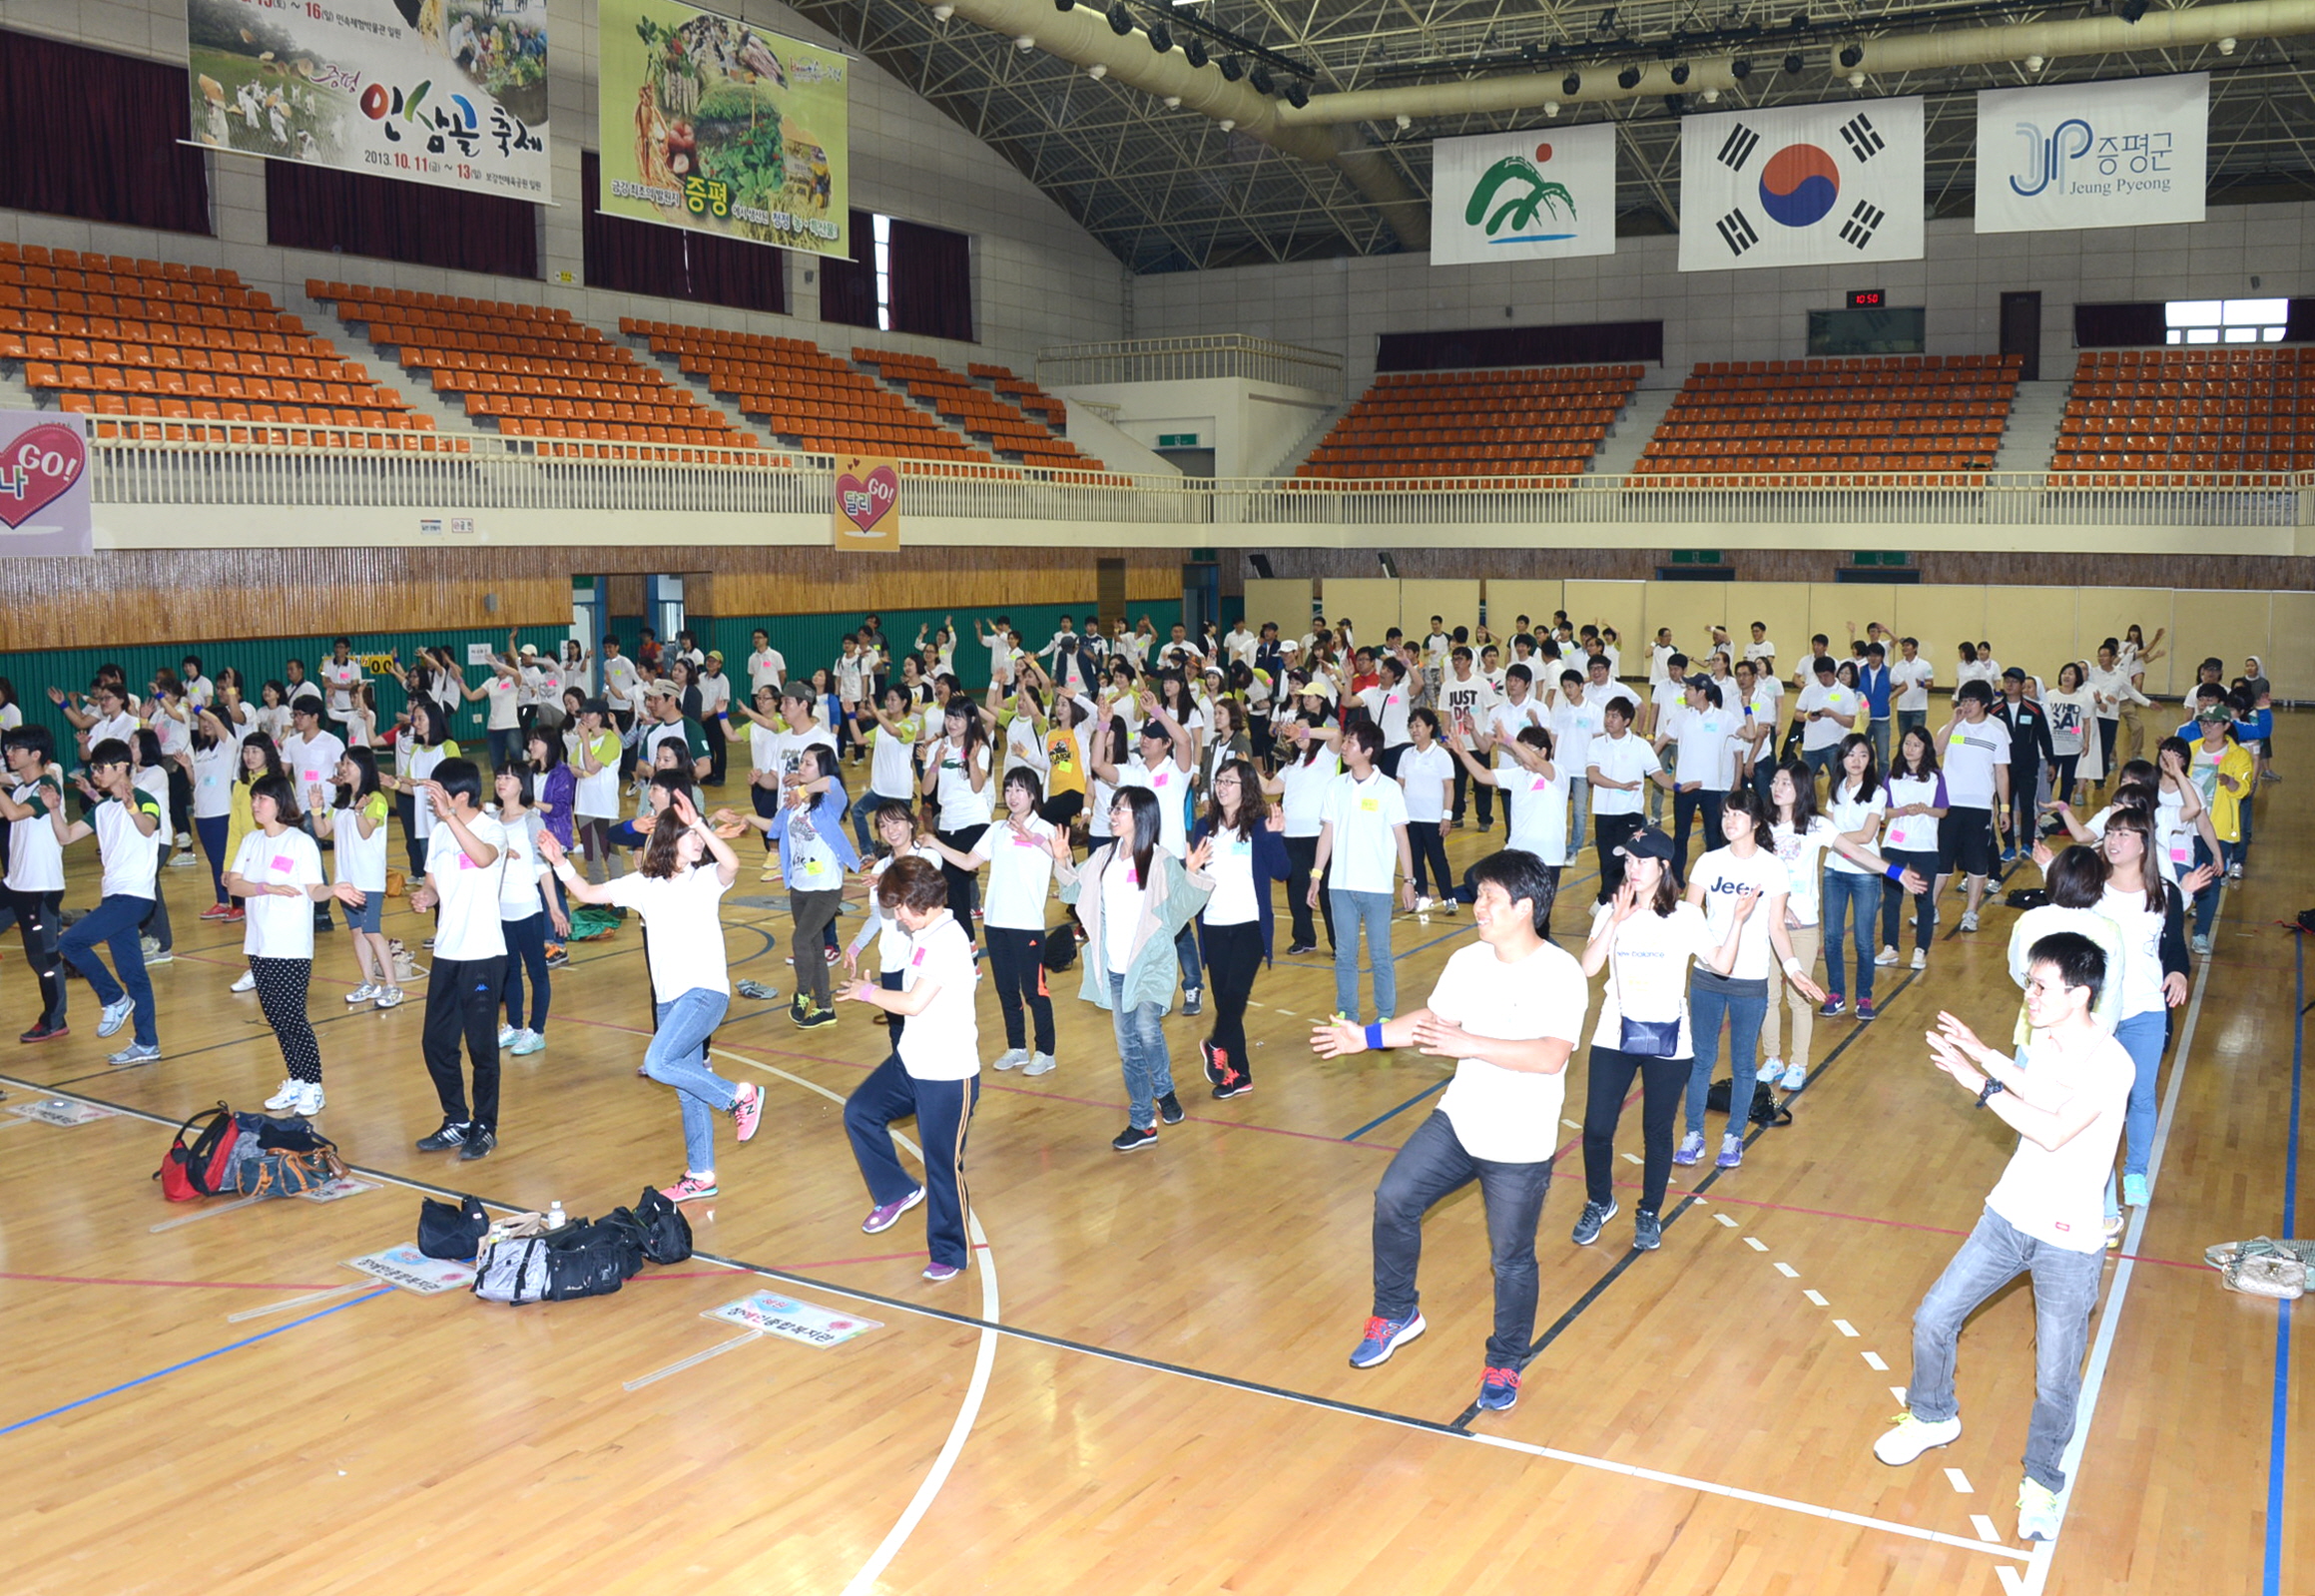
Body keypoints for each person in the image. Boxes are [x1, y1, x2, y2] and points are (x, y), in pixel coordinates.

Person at [1873, 932, 2131, 1544]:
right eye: (2029, 983)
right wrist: (1985, 1054)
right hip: (2008, 1216)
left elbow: (2055, 1130)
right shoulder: (2048, 1038)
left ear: (2079, 994)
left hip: (2068, 1243)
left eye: (2041, 986)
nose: (2030, 995)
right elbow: (2038, 1090)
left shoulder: (2113, 1064)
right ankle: (1933, 1415)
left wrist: (1978, 1083)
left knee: (2055, 1378)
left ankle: (2041, 1483)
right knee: (1934, 1317)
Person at [1314, 849, 1586, 1414]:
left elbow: (1550, 1056)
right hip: (1460, 1122)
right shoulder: (1469, 960)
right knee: (1394, 1197)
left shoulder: (1561, 974)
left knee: (1511, 1260)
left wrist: (1473, 1044)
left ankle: (1505, 1362)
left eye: (1489, 897)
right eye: (1478, 895)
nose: (1478, 906)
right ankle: (1396, 1313)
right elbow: (1432, 1024)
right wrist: (1365, 1038)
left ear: (1524, 908)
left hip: (1520, 1145)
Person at [544, 792, 765, 1203]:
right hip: (669, 1000)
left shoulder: (705, 879)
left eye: (699, 835)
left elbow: (732, 864)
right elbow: (587, 893)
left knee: (658, 1062)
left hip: (704, 992)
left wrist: (699, 824)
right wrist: (559, 862)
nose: (697, 841)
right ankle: (701, 1174)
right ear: (667, 839)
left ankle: (738, 1097)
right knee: (687, 1089)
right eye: (689, 835)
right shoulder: (642, 885)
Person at [1575, 827, 1756, 1253]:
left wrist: (1737, 921)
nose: (1632, 868)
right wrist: (1615, 921)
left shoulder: (1686, 916)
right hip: (1614, 1032)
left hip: (1670, 1039)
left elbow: (1723, 964)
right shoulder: (1612, 909)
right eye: (1628, 860)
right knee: (1597, 1127)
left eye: (1642, 861)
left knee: (1656, 1131)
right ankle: (1600, 1202)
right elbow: (1588, 967)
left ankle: (1649, 1212)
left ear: (1664, 867)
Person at [838, 856, 982, 1282]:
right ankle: (897, 1190)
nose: (897, 915)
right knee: (860, 1112)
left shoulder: (948, 940)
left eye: (899, 906)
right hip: (911, 1062)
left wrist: (868, 993)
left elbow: (914, 1003)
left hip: (948, 1075)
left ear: (920, 900)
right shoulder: (923, 933)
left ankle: (950, 1253)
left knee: (943, 1166)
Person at [1049, 785, 1213, 1151]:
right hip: (1115, 968)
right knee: (1128, 1050)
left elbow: (1181, 909)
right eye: (1113, 808)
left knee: (1146, 1028)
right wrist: (1062, 861)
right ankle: (1143, 1122)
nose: (1113, 815)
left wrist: (1191, 873)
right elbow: (1074, 894)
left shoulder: (1161, 861)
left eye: (1120, 809)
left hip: (1151, 964)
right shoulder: (1102, 858)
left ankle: (1164, 1090)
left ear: (1141, 816)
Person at [1680, 787, 1819, 1168]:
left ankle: (1733, 1137)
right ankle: (1693, 1134)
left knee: (1743, 1063)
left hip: (1750, 980)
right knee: (1701, 1060)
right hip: (1707, 976)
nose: (1729, 821)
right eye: (1726, 814)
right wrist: (1705, 956)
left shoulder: (1772, 867)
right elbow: (1690, 916)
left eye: (1737, 814)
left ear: (1756, 822)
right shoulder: (1708, 862)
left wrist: (1793, 970)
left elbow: (1777, 927)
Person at [228, 773, 359, 1114]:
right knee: (275, 1016)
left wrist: (333, 890)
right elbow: (234, 885)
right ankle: (296, 1080)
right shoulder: (252, 841)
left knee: (293, 1017)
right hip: (258, 944)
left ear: (280, 803)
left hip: (290, 945)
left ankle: (314, 1085)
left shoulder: (300, 843)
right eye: (254, 798)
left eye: (262, 799)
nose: (255, 805)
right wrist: (265, 888)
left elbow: (314, 889)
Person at [407, 759, 509, 1161]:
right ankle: (457, 1120)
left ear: (461, 795)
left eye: (439, 794)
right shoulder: (438, 833)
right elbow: (433, 883)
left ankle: (485, 1126)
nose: (433, 803)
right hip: (447, 952)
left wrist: (450, 818)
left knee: (482, 1047)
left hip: (483, 954)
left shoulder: (492, 829)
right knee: (436, 1042)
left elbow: (483, 858)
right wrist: (426, 896)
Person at [935, 769, 1057, 1074]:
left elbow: (1064, 863)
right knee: (1006, 989)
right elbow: (967, 862)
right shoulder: (997, 829)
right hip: (996, 922)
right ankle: (1017, 1047)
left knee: (1035, 990)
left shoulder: (1046, 830)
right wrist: (935, 844)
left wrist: (1035, 839)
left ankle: (1046, 1052)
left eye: (1020, 790)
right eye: (1008, 789)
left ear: (1033, 795)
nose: (1013, 796)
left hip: (1027, 925)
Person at [51, 741, 164, 1064]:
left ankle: (114, 999)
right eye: (94, 768)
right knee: (133, 973)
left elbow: (148, 827)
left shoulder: (144, 800)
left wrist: (132, 806)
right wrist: (55, 808)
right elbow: (66, 836)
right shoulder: (101, 809)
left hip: (134, 896)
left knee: (70, 941)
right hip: (114, 894)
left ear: (122, 767)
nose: (95, 773)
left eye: (101, 768)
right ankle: (147, 1043)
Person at [738, 746, 860, 1028]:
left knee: (801, 940)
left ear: (822, 768)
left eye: (808, 763)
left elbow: (832, 783)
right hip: (800, 886)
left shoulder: (830, 802)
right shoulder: (794, 802)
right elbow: (774, 826)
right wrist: (746, 818)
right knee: (814, 948)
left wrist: (803, 790)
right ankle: (825, 1008)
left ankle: (803, 994)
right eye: (801, 762)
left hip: (826, 887)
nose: (801, 768)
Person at [1190, 757, 1290, 1099]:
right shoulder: (1203, 827)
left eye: (1229, 781)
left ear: (1245, 787)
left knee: (1235, 995)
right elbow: (1193, 874)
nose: (1221, 787)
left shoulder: (1260, 826)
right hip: (1213, 923)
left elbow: (1282, 871)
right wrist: (1190, 867)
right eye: (1218, 780)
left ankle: (1215, 1043)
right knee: (1226, 1003)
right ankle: (1239, 1074)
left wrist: (1275, 837)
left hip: (1249, 924)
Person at [1310, 724, 1416, 1025]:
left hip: (1377, 888)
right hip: (1340, 885)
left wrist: (1408, 881)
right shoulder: (1335, 787)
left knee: (1380, 954)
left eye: (1351, 742)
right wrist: (1316, 875)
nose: (1344, 746)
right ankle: (1347, 1012)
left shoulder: (1389, 789)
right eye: (1344, 741)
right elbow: (1327, 833)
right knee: (1345, 954)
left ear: (1368, 751)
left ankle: (1385, 1015)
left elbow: (1401, 838)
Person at [309, 749, 399, 1010]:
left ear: (363, 767)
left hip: (368, 879)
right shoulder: (342, 802)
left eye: (349, 763)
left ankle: (393, 986)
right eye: (343, 763)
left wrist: (360, 812)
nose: (343, 768)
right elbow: (322, 831)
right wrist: (316, 808)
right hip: (345, 880)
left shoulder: (376, 800)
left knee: (371, 930)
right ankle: (369, 982)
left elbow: (366, 832)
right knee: (357, 932)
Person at [1, 725, 69, 1041]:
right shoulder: (20, 788)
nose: (9, 753)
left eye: (15, 748)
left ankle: (54, 1020)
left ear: (36, 754)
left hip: (40, 888)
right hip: (15, 884)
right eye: (8, 748)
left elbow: (14, 815)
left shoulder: (47, 788)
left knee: (42, 959)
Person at [489, 763, 560, 1057]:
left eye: (509, 777)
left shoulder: (532, 821)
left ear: (522, 784)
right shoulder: (491, 820)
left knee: (536, 971)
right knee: (509, 971)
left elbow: (543, 868)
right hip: (499, 909)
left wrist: (554, 908)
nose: (501, 781)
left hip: (527, 909)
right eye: (499, 776)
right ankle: (515, 1026)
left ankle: (537, 1031)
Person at [919, 696, 995, 945]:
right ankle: (967, 943)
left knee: (952, 880)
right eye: (949, 717)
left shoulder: (980, 748)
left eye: (958, 718)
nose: (952, 723)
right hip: (947, 823)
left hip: (975, 821)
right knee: (953, 888)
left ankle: (967, 942)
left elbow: (977, 786)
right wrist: (934, 764)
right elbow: (926, 789)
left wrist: (971, 761)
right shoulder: (937, 747)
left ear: (971, 720)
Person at [1938, 682, 2012, 933]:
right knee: (1942, 861)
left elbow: (2001, 773)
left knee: (1977, 862)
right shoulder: (1952, 728)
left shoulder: (1996, 734)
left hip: (1979, 807)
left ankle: (1971, 912)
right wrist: (1953, 722)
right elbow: (1936, 750)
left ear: (1985, 704)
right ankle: (1929, 909)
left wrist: (2004, 808)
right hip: (1948, 805)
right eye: (1963, 700)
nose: (1966, 705)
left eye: (1971, 701)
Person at [1878, 726, 1948, 971]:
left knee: (1924, 900)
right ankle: (1890, 947)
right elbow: (1882, 810)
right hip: (1895, 844)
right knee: (1891, 898)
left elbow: (1942, 810)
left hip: (1924, 846)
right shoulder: (1892, 775)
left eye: (1916, 745)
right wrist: (1901, 811)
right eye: (1907, 743)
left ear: (1925, 749)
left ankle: (1920, 950)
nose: (1910, 748)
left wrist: (1925, 809)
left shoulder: (1935, 777)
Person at [1585, 697, 1666, 903]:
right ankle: (1608, 901)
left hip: (1630, 813)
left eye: (1615, 716)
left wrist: (1676, 786)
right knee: (1606, 861)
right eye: (1607, 715)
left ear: (1627, 721)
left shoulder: (1640, 745)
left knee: (1622, 860)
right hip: (1604, 812)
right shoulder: (1596, 744)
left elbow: (1657, 774)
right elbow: (1592, 776)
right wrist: (1620, 785)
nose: (1609, 720)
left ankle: (1612, 902)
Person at [1276, 714, 1343, 954]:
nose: (1298, 733)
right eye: (1295, 729)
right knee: (1297, 890)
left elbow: (1336, 734)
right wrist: (1248, 770)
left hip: (1319, 835)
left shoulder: (1326, 755)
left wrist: (1303, 731)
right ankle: (1304, 938)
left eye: (1303, 728)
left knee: (1325, 891)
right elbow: (1270, 788)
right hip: (1291, 836)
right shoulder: (1291, 764)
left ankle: (1339, 944)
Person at [1398, 709, 1455, 910]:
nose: (1414, 730)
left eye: (1418, 725)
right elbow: (1400, 784)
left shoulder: (1441, 755)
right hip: (1410, 817)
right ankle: (1422, 897)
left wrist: (1446, 816)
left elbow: (1449, 787)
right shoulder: (1406, 755)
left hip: (1432, 818)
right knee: (1415, 860)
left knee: (1437, 859)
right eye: (1411, 726)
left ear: (1430, 728)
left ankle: (1449, 899)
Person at [1795, 655, 1861, 788]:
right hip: (1810, 746)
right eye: (1819, 676)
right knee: (1802, 784)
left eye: (1826, 675)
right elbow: (1797, 714)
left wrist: (1832, 714)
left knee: (1839, 784)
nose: (1823, 680)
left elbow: (1850, 722)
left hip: (1835, 745)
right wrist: (1807, 716)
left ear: (1834, 672)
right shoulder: (1809, 690)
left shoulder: (1846, 693)